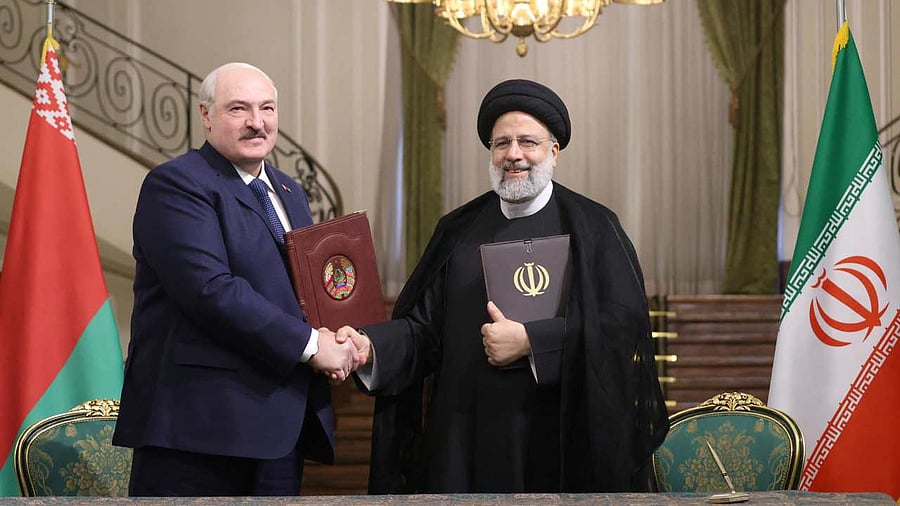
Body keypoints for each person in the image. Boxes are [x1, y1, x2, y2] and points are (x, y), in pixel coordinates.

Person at [338, 79, 669, 494]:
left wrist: (533, 341)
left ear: (554, 152)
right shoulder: (457, 230)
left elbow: (621, 330)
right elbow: (424, 331)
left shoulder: (594, 227)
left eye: (528, 142)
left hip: (559, 441)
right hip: (466, 439)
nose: (514, 154)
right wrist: (371, 347)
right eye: (502, 143)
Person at [112, 62, 361, 496]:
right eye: (238, 109)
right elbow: (211, 291)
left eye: (267, 108)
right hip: (200, 432)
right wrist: (311, 346)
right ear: (206, 115)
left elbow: (303, 293)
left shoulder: (289, 191)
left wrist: (338, 334)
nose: (256, 122)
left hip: (279, 426)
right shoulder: (176, 184)